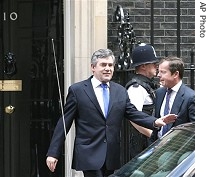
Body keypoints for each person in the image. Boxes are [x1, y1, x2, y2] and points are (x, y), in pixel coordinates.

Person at [46, 49, 177, 177]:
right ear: (93, 67)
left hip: (111, 155)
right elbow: (64, 122)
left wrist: (154, 121)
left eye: (110, 65)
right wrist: (53, 152)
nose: (108, 68)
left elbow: (133, 113)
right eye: (103, 65)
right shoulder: (78, 90)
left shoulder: (119, 91)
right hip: (89, 154)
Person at [125, 43, 160, 158]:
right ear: (143, 66)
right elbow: (134, 118)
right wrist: (153, 136)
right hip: (141, 145)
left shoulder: (146, 84)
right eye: (154, 64)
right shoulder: (137, 88)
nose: (157, 66)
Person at [149, 56, 195, 143]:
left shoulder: (190, 97)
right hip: (157, 147)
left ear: (175, 74)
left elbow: (194, 132)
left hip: (177, 151)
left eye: (163, 72)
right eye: (159, 71)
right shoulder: (159, 93)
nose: (158, 75)